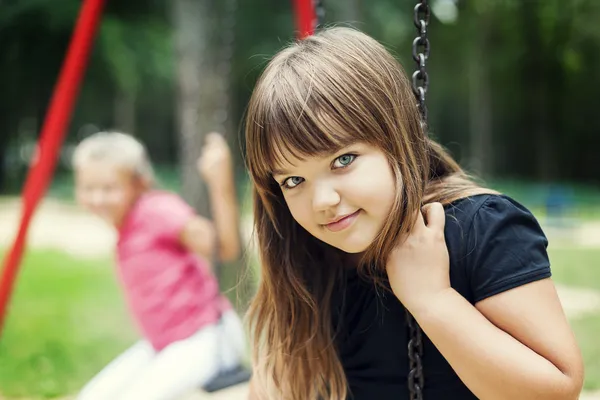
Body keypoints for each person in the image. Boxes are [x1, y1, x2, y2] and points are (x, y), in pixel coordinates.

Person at [243, 27, 584, 400]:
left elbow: (557, 389)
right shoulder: (308, 255)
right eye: (294, 180)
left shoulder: (479, 228)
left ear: (394, 137)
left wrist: (433, 300)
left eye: (343, 160)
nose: (321, 200)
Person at [72, 131, 247, 400]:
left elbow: (224, 247)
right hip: (165, 343)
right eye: (88, 188)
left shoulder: (157, 210)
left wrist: (220, 182)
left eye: (108, 188)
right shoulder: (127, 227)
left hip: (204, 337)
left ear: (139, 184)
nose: (98, 199)